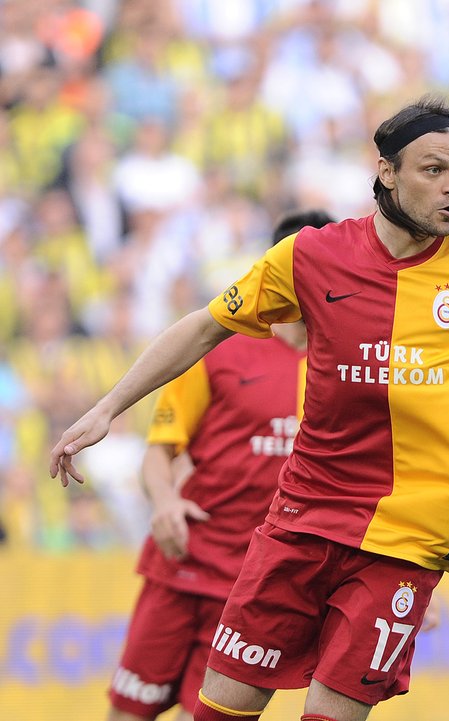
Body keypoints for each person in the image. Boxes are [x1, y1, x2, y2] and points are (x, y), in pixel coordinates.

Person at [50, 94, 449, 721]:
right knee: (218, 711)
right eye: (433, 170)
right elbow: (203, 326)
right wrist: (108, 408)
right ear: (387, 171)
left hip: (405, 540)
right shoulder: (310, 256)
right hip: (301, 520)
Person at [107, 209, 334, 721]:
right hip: (183, 562)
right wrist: (165, 502)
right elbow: (159, 451)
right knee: (126, 714)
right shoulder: (220, 346)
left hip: (255, 587)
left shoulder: (346, 366)